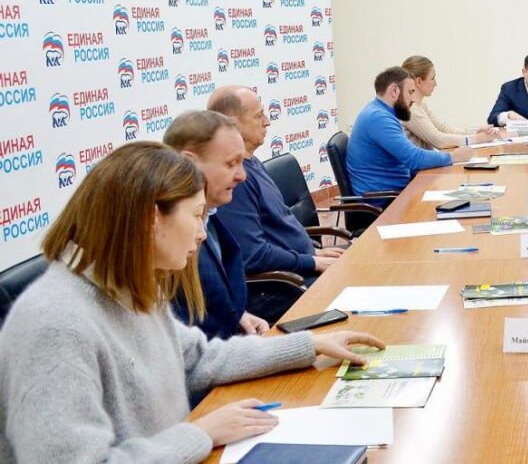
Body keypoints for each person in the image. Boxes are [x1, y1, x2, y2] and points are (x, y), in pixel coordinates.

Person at [0, 141, 384, 463]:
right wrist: (201, 433)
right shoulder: (56, 323)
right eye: (197, 216)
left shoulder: (131, 286)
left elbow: (196, 359)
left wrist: (308, 344)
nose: (202, 234)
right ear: (151, 219)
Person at [208, 86, 344, 315]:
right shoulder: (235, 183)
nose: (267, 122)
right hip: (279, 285)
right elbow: (253, 255)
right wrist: (311, 261)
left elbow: (278, 231)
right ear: (232, 124)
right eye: (258, 115)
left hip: (299, 266)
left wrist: (313, 254)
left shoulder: (252, 163)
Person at [164, 110, 272, 338]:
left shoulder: (212, 214)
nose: (242, 176)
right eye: (231, 164)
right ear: (189, 162)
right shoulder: (167, 241)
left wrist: (239, 315)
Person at [348, 66, 472, 195]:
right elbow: (414, 158)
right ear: (394, 91)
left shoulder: (380, 112)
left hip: (398, 191)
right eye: (410, 92)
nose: (413, 99)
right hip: (386, 199)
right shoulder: (379, 118)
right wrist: (454, 156)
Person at [401, 55, 502, 148]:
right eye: (432, 78)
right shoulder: (410, 109)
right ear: (419, 81)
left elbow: (443, 129)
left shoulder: (420, 105)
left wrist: (476, 132)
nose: (435, 84)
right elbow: (439, 140)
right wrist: (478, 138)